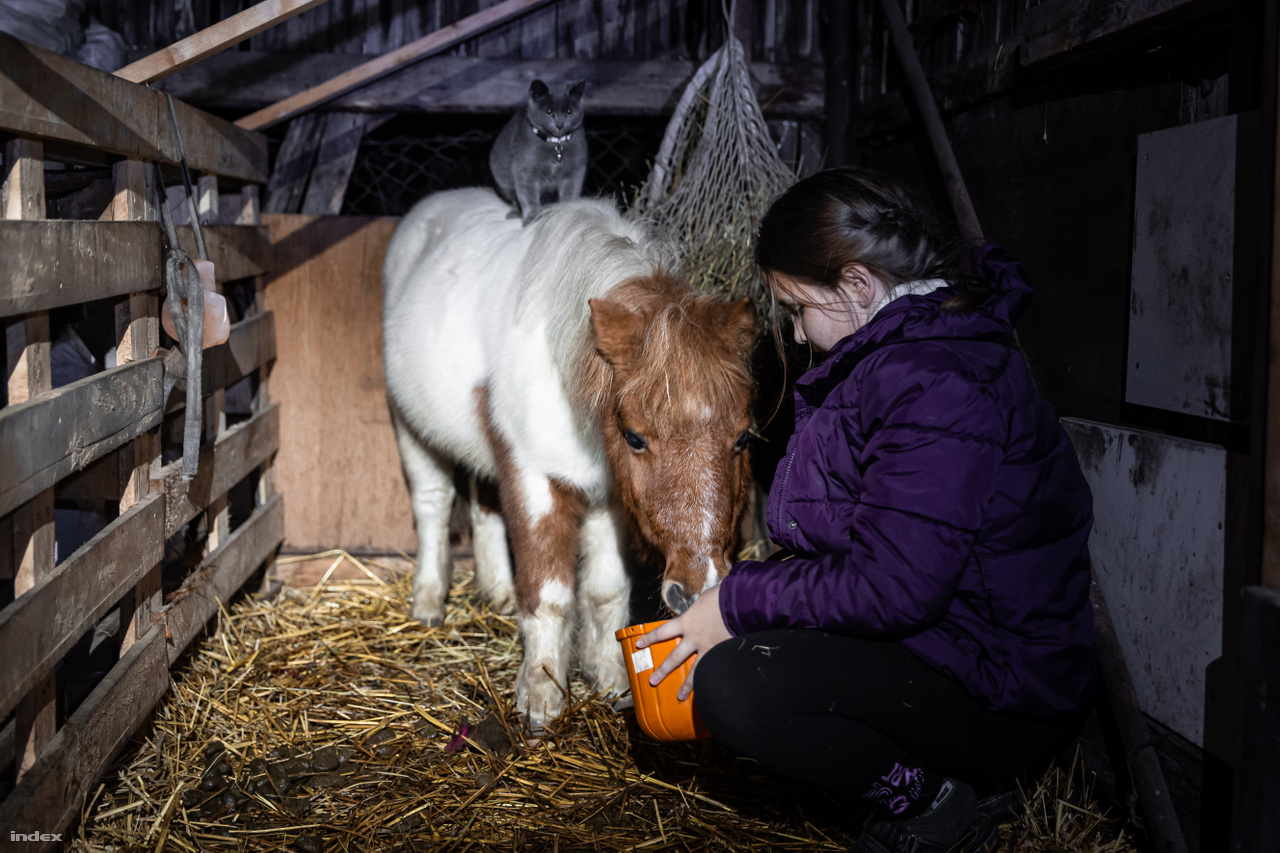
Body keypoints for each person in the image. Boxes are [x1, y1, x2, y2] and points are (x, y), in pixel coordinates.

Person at [635, 167, 1098, 853]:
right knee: (738, 644)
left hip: (1001, 689)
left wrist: (736, 602)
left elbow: (895, 585)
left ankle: (933, 801)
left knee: (737, 685)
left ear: (857, 287)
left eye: (795, 309)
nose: (792, 337)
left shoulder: (937, 384)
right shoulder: (903, 357)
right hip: (951, 644)